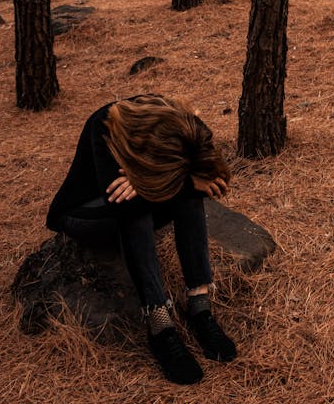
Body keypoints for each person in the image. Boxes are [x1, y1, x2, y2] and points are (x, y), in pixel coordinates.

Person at [46, 94, 237, 385]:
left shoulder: (179, 123)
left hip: (139, 198)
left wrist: (165, 180)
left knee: (186, 200)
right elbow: (120, 202)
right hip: (86, 214)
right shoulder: (104, 126)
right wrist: (185, 182)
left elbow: (215, 179)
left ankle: (200, 307)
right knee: (137, 209)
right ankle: (159, 324)